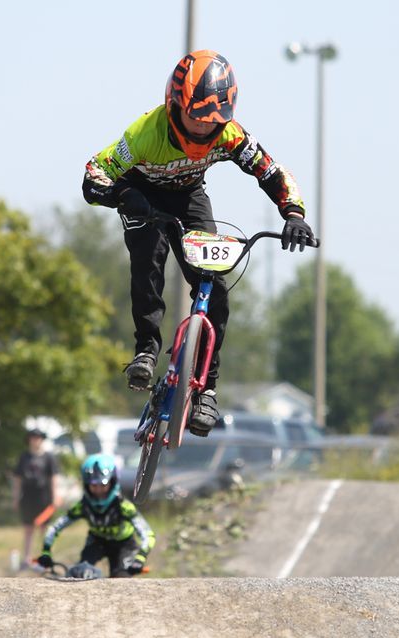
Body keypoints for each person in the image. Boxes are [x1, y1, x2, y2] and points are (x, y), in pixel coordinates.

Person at [81, 49, 316, 436]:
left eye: (214, 122)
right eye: (195, 118)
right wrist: (122, 196)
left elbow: (271, 171)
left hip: (189, 197)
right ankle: (147, 349)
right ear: (175, 103)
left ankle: (206, 389)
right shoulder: (145, 133)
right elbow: (93, 176)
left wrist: (294, 213)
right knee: (149, 257)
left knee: (216, 284)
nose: (204, 130)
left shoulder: (230, 134)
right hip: (141, 194)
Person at [36, 453, 155, 578]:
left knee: (121, 578)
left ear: (113, 482)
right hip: (96, 541)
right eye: (94, 485)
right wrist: (46, 552)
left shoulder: (124, 507)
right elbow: (55, 528)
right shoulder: (82, 506)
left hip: (124, 545)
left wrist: (140, 557)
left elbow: (148, 534)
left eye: (103, 485)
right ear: (86, 485)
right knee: (80, 573)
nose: (98, 490)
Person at [12, 427, 61, 570]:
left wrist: (55, 495)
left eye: (38, 438)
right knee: (28, 528)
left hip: (43, 497)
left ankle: (44, 558)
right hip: (27, 496)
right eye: (33, 437)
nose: (36, 440)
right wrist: (15, 497)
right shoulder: (24, 457)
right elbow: (18, 478)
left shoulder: (48, 457)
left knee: (44, 529)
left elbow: (54, 477)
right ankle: (26, 559)